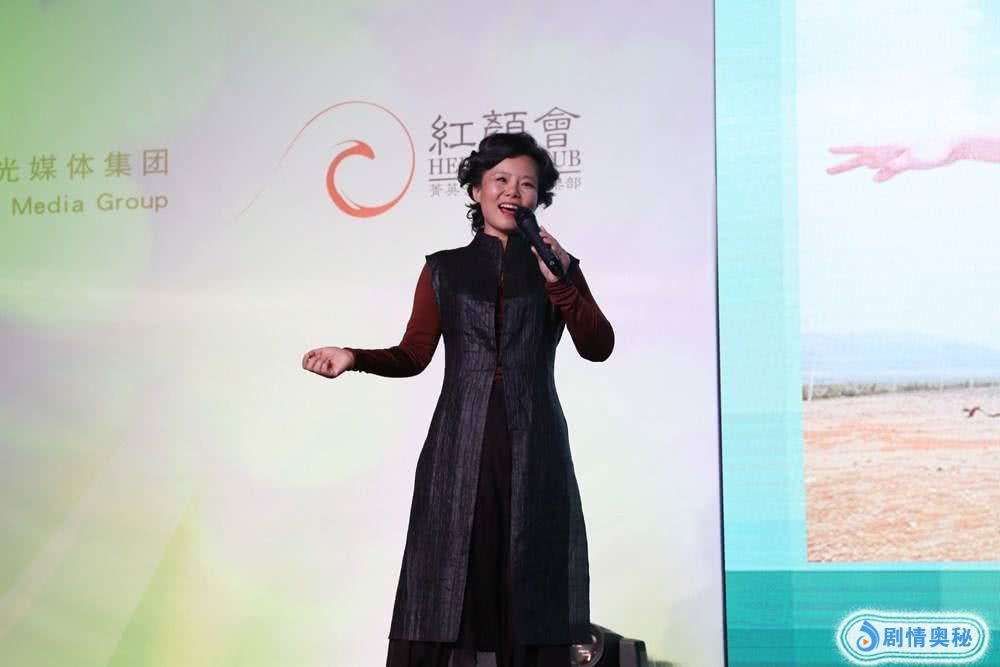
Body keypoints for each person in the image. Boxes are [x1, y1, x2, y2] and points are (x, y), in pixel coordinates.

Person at [302, 132, 614, 667]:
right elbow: (413, 353)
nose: (513, 191)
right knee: (443, 583)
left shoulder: (559, 266)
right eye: (500, 180)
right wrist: (353, 356)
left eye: (526, 184)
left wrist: (561, 281)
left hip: (535, 443)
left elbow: (598, 346)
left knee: (532, 582)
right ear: (476, 191)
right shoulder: (444, 269)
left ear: (538, 199)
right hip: (459, 443)